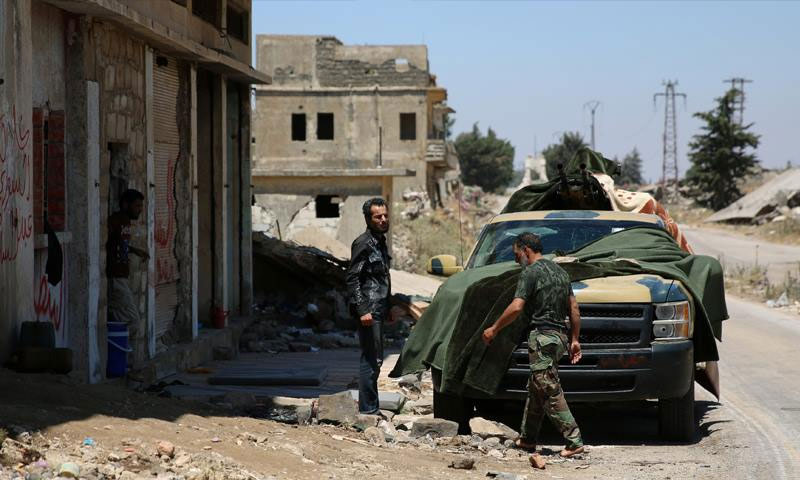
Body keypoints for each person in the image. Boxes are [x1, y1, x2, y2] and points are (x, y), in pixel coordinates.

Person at [482, 232, 584, 466]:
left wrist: (494, 329)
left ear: (526, 250)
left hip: (543, 336)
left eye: (517, 254)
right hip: (559, 338)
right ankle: (527, 439)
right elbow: (574, 308)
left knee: (547, 386)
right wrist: (575, 339)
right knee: (537, 387)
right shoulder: (560, 272)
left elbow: (517, 307)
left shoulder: (530, 272)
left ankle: (574, 440)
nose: (517, 260)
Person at [346, 197, 391, 415]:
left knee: (377, 360)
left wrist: (388, 307)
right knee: (371, 360)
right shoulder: (363, 243)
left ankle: (372, 407)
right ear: (368, 219)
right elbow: (353, 279)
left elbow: (383, 278)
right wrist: (363, 309)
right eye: (378, 217)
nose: (383, 220)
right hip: (369, 309)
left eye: (385, 215)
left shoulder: (380, 241)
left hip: (379, 307)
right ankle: (368, 410)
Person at [107, 189, 149, 361]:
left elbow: (119, 244)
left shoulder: (124, 222)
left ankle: (120, 360)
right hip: (115, 278)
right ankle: (121, 359)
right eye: (137, 205)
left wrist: (134, 250)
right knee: (132, 321)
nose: (140, 209)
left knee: (121, 320)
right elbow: (109, 242)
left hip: (121, 277)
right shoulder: (117, 220)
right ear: (126, 204)